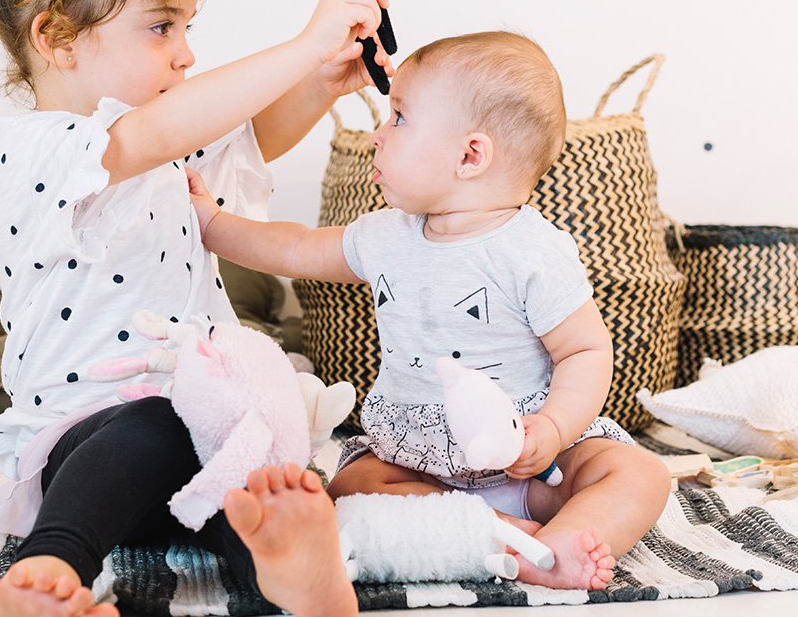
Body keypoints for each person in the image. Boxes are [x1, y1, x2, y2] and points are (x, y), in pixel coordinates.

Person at [0, 0, 392, 617]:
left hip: (208, 422)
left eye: (187, 28)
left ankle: (290, 572)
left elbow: (252, 134)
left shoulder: (160, 134)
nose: (187, 54)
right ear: (57, 39)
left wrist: (324, 78)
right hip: (89, 430)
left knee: (267, 469)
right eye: (162, 28)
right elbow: (150, 139)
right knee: (150, 430)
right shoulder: (41, 147)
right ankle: (50, 570)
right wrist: (302, 43)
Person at [187, 31, 671, 591]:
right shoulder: (385, 236)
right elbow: (296, 249)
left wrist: (555, 428)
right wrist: (213, 224)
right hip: (417, 460)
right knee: (351, 483)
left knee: (640, 474)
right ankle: (493, 530)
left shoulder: (533, 252)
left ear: (470, 155)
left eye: (398, 118)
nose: (376, 134)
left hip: (532, 458)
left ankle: (566, 538)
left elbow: (585, 350)